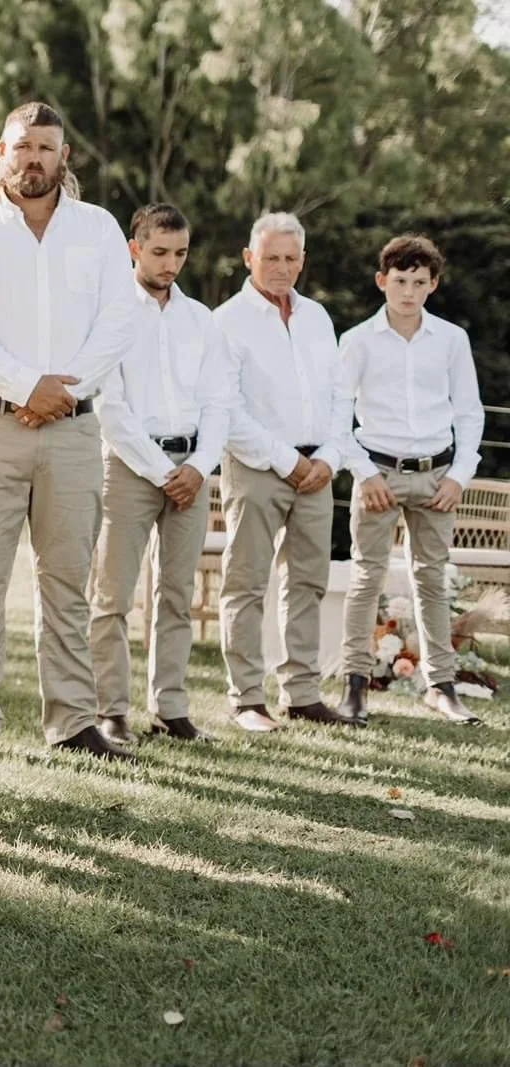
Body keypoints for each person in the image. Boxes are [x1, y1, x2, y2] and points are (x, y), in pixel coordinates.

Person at [0, 101, 136, 763]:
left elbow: (117, 321)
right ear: (2, 151)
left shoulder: (100, 230)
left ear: (64, 156)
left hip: (76, 430)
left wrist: (61, 391)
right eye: (22, 147)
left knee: (68, 578)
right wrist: (28, 386)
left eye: (45, 148)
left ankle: (75, 719)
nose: (33, 159)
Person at [89, 203, 231, 745]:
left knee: (177, 593)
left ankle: (170, 708)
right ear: (134, 248)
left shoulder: (201, 320)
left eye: (180, 253)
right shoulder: (113, 315)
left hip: (192, 470)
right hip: (128, 468)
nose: (171, 264)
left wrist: (197, 467)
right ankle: (110, 710)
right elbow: (110, 406)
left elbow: (220, 400)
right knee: (113, 595)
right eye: (160, 252)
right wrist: (158, 469)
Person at [214, 211, 357, 732]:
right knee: (247, 582)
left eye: (290, 258)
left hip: (318, 470)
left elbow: (342, 396)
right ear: (250, 258)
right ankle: (247, 697)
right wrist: (287, 460)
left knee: (308, 582)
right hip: (257, 468)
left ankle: (301, 692)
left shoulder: (318, 317)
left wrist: (329, 458)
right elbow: (226, 410)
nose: (280, 267)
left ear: (303, 261)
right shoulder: (226, 320)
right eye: (270, 257)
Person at [334, 234, 484, 726]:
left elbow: (468, 411)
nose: (408, 292)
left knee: (432, 580)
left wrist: (459, 475)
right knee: (365, 579)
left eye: (420, 282)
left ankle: (441, 686)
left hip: (436, 476)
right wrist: (364, 472)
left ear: (433, 284)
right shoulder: (356, 341)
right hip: (377, 473)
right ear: (382, 281)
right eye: (400, 281)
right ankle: (354, 686)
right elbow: (337, 417)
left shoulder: (451, 340)